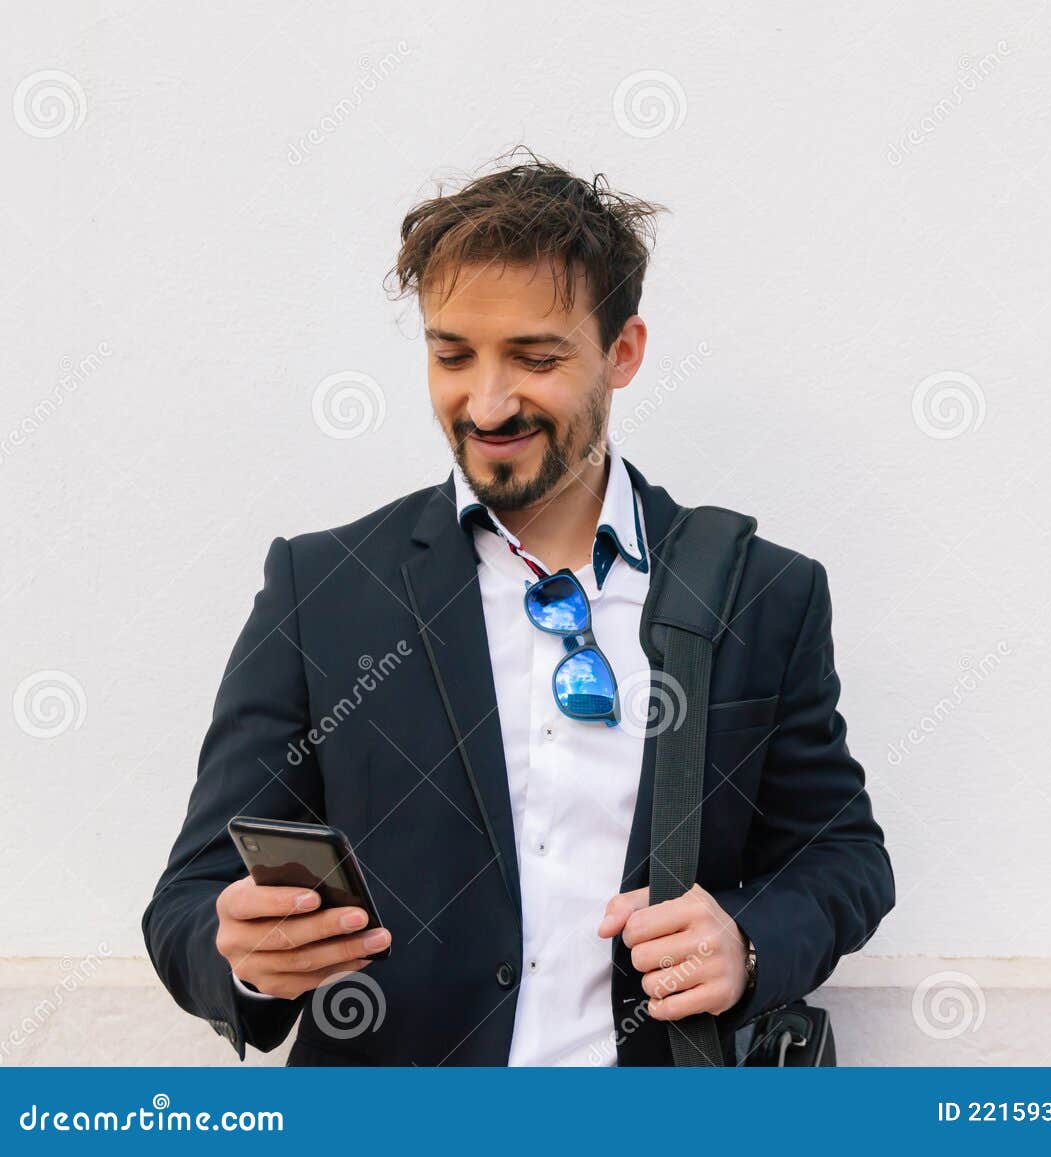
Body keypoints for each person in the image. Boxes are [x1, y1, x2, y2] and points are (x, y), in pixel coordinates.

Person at [141, 151, 894, 1066]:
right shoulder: (323, 586)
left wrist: (747, 941)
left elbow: (845, 856)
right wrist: (247, 956)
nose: (486, 402)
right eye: (451, 354)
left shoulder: (764, 591)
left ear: (623, 353)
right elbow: (191, 897)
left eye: (535, 358)